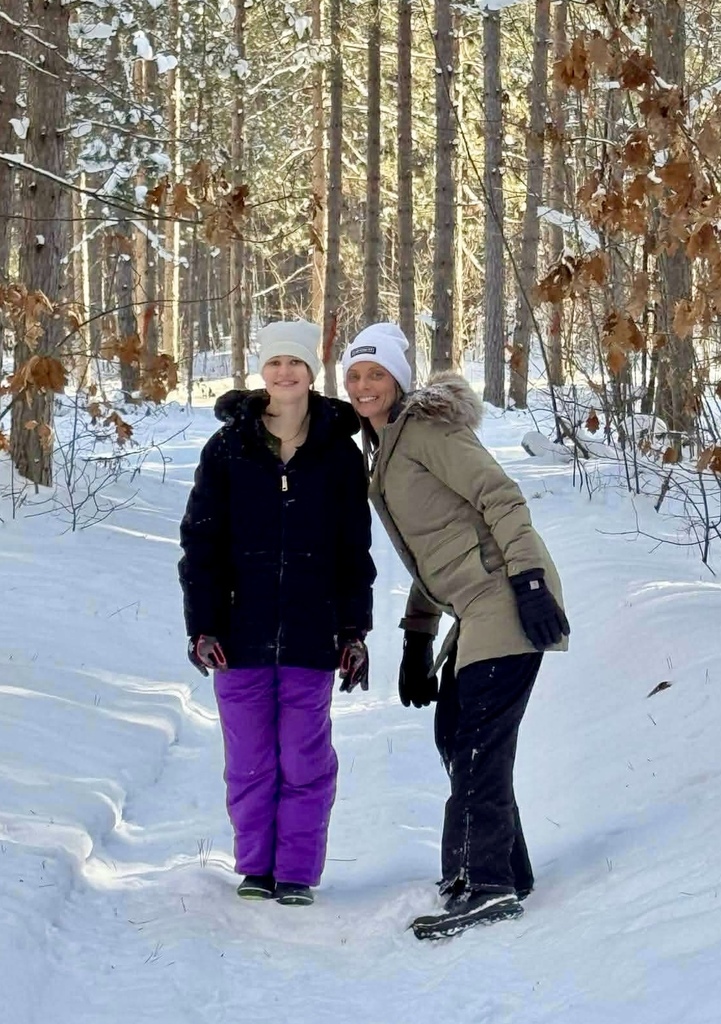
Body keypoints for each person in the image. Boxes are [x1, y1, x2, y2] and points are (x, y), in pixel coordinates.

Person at [342, 323, 569, 940]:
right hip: (474, 607)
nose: (364, 385)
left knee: (477, 743)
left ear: (399, 381)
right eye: (355, 375)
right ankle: (504, 870)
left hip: (506, 596)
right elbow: (436, 548)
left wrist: (527, 582)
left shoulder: (427, 431)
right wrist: (417, 638)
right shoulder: (385, 445)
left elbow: (500, 497)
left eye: (376, 374)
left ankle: (486, 884)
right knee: (457, 735)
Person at [179, 319, 375, 907]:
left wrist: (354, 631)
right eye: (274, 363)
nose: (284, 373)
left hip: (313, 637)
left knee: (306, 760)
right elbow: (201, 544)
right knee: (249, 761)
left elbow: (352, 550)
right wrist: (203, 627)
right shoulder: (228, 448)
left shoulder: (338, 452)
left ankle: (295, 871)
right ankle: (255, 869)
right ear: (261, 371)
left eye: (295, 363)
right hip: (238, 637)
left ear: (312, 371)